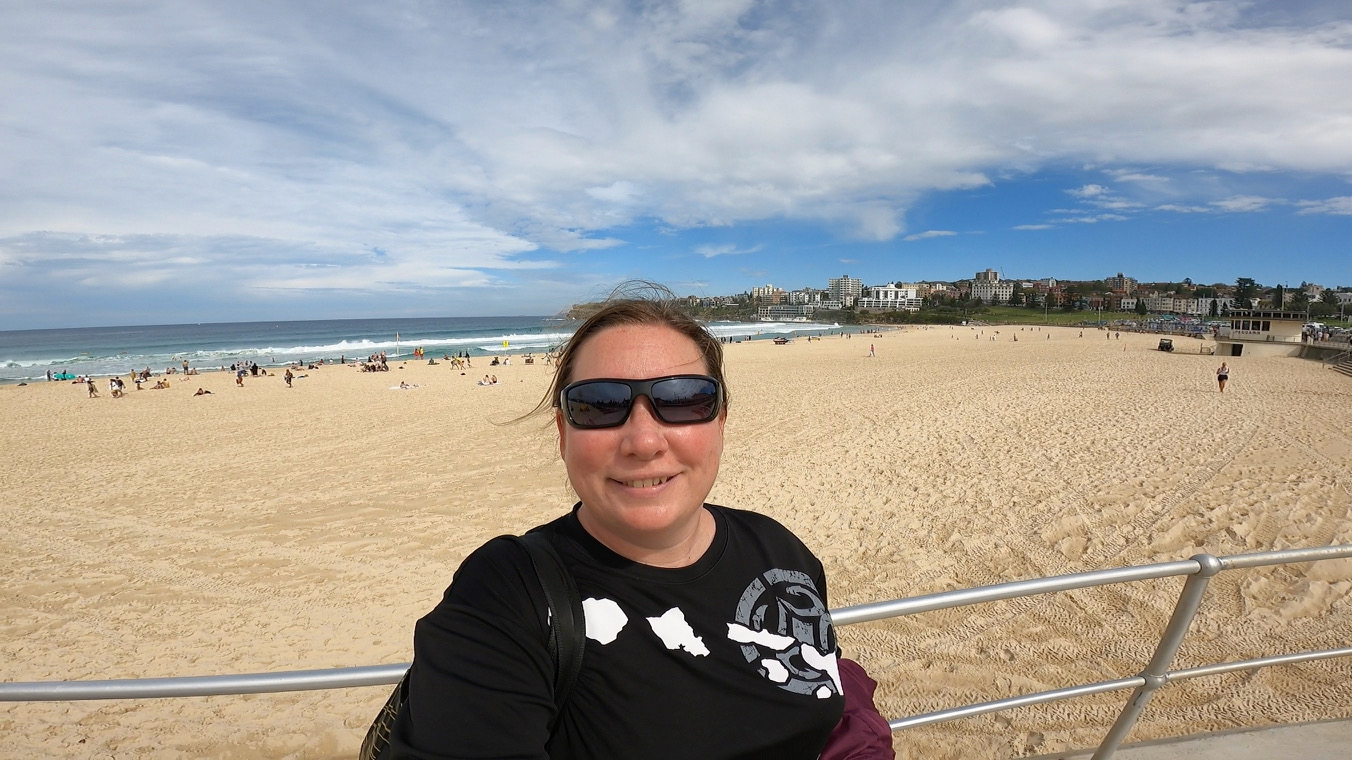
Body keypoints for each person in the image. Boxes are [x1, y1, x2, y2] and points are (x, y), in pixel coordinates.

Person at [388, 289, 846, 759]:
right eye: (599, 405)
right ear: (564, 434)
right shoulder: (505, 595)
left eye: (683, 399)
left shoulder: (781, 551)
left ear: (720, 420)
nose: (644, 441)